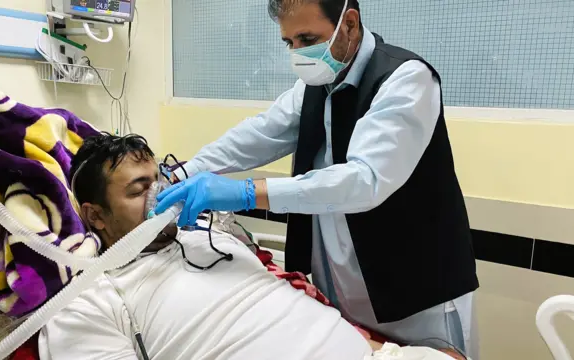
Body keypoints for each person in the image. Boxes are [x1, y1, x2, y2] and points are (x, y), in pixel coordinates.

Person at [154, 0, 479, 357]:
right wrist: (183, 172)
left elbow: (364, 180)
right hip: (343, 292)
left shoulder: (405, 79)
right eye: (289, 42)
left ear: (350, 24)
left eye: (308, 38)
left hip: (415, 297)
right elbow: (260, 135)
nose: (298, 53)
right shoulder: (314, 87)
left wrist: (247, 192)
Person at [38, 134, 374, 360]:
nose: (161, 197)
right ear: (95, 216)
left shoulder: (212, 234)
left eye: (162, 181)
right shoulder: (93, 299)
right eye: (139, 190)